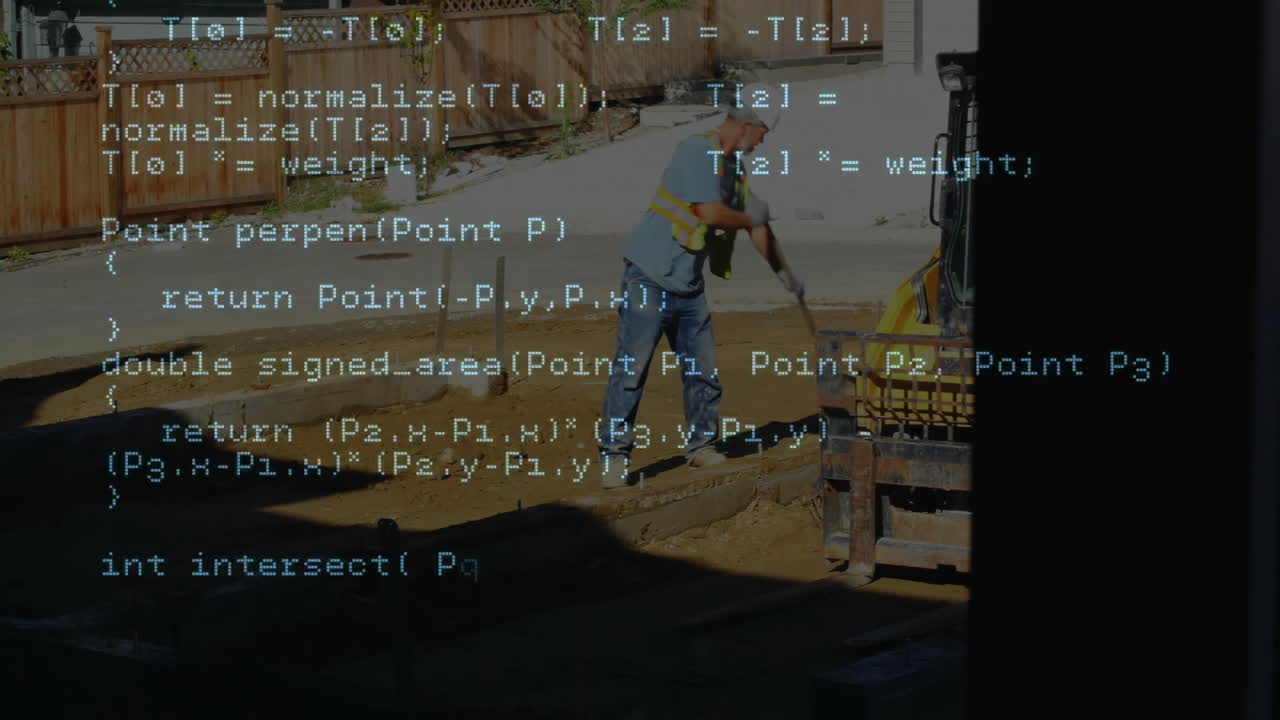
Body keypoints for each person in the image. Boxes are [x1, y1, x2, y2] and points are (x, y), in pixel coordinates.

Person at [597, 83, 805, 489]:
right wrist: (750, 218)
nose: (763, 143)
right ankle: (615, 455)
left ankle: (701, 446)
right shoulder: (697, 151)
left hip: (687, 286)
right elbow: (709, 212)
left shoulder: (734, 171)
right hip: (649, 275)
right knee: (631, 369)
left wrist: (786, 275)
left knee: (703, 372)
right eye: (763, 133)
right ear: (747, 125)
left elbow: (758, 227)